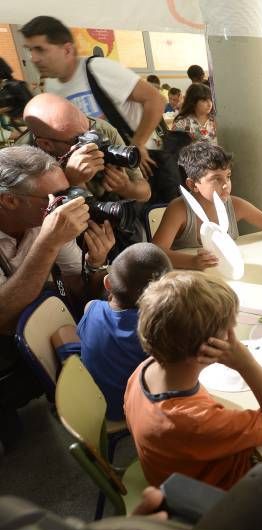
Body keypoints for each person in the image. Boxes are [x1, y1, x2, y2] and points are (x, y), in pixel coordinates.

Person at [124, 270, 262, 489]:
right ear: (207, 349)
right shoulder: (196, 421)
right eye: (229, 330)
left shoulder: (142, 371)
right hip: (216, 497)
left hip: (174, 475)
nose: (233, 335)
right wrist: (247, 364)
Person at [21, 17, 164, 179]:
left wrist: (138, 144)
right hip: (104, 171)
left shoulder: (98, 68)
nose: (33, 58)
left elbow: (155, 100)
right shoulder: (51, 86)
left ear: (67, 50)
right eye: (29, 50)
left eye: (40, 49)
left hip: (139, 162)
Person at [153, 142, 262, 270]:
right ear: (193, 185)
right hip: (191, 285)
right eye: (216, 179)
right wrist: (192, 262)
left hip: (228, 279)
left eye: (228, 176)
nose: (225, 185)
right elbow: (157, 252)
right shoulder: (179, 210)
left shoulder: (234, 205)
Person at [50, 243, 172, 421]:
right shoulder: (157, 331)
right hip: (132, 409)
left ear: (107, 283)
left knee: (67, 331)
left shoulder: (91, 308)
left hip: (96, 399)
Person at [0, 145, 114, 333]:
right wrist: (48, 243)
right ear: (10, 200)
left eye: (68, 192)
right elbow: (3, 315)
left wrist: (95, 266)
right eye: (58, 197)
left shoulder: (47, 217)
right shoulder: (52, 222)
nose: (69, 203)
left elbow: (78, 289)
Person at [22, 93, 151, 203]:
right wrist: (71, 182)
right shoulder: (25, 161)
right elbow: (40, 223)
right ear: (46, 144)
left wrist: (126, 187)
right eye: (80, 139)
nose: (93, 139)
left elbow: (145, 193)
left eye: (89, 128)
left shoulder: (102, 129)